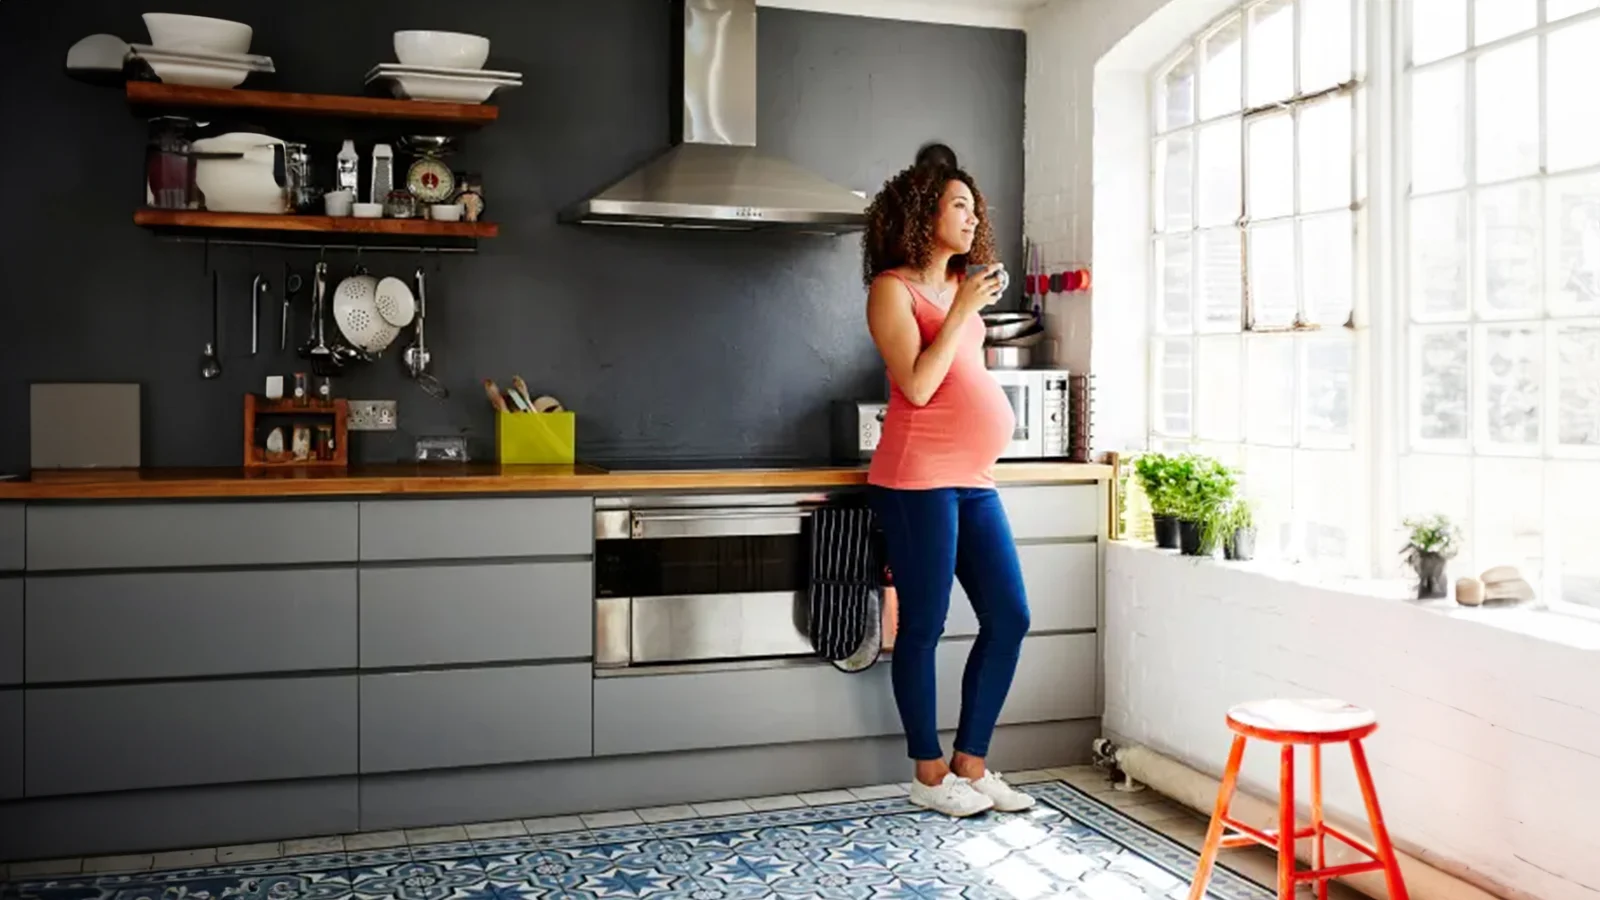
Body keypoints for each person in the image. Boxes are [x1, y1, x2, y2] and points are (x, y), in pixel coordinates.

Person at [861, 143, 1033, 818]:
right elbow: (919, 384)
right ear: (923, 211)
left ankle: (971, 762)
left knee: (1010, 617)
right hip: (917, 479)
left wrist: (964, 305)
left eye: (974, 207)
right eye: (958, 204)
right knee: (926, 626)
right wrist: (961, 309)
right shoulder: (891, 290)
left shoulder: (962, 292)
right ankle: (928, 775)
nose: (970, 216)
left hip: (973, 476)